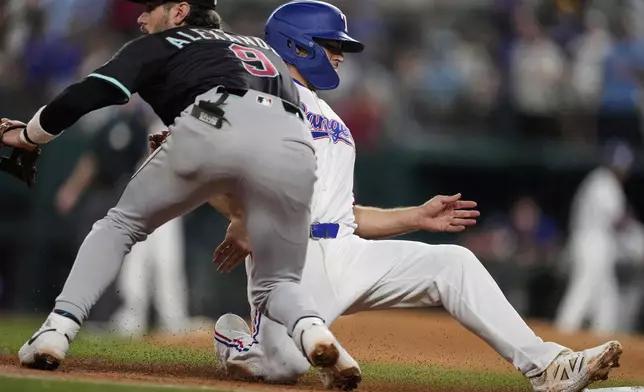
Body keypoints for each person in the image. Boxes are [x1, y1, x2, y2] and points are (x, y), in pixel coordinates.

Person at [210, 2, 622, 392]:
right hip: (292, 256)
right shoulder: (266, 95)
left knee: (453, 262)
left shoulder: (334, 120)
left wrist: (416, 217)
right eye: (332, 45)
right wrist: (243, 217)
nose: (340, 55)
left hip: (346, 250)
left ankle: (547, 367)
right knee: (283, 367)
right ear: (296, 44)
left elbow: (344, 213)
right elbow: (213, 163)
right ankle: (235, 339)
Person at [4, 0, 359, 384]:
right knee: (279, 281)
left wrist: (27, 135)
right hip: (294, 142)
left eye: (150, 7)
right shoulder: (260, 48)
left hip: (215, 116)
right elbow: (260, 130)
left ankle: (56, 332)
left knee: (119, 226)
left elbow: (89, 93)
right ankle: (314, 332)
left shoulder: (167, 43)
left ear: (178, 12)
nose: (141, 17)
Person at [556, 140, 643, 334]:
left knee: (606, 297)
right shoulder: (603, 183)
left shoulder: (600, 181)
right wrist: (634, 231)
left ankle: (603, 337)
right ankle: (563, 331)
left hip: (598, 243)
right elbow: (617, 220)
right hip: (591, 243)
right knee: (584, 287)